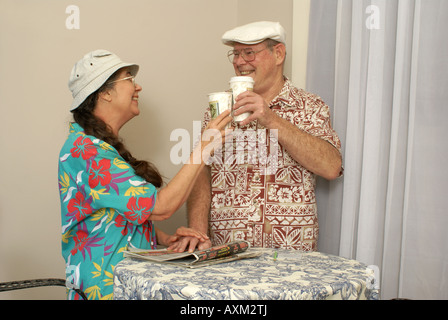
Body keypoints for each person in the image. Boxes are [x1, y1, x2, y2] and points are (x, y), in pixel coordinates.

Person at [58, 49, 231, 299]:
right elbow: (160, 208)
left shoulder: (97, 148)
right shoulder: (86, 152)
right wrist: (204, 147)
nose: (137, 87)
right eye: (129, 79)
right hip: (106, 290)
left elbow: (114, 217)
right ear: (104, 92)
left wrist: (165, 238)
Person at [170, 21, 343, 253]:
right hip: (228, 251)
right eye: (236, 54)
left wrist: (271, 119)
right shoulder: (220, 108)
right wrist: (198, 232)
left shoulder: (309, 106)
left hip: (291, 254)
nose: (240, 62)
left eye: (249, 53)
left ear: (278, 54)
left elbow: (331, 167)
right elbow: (202, 172)